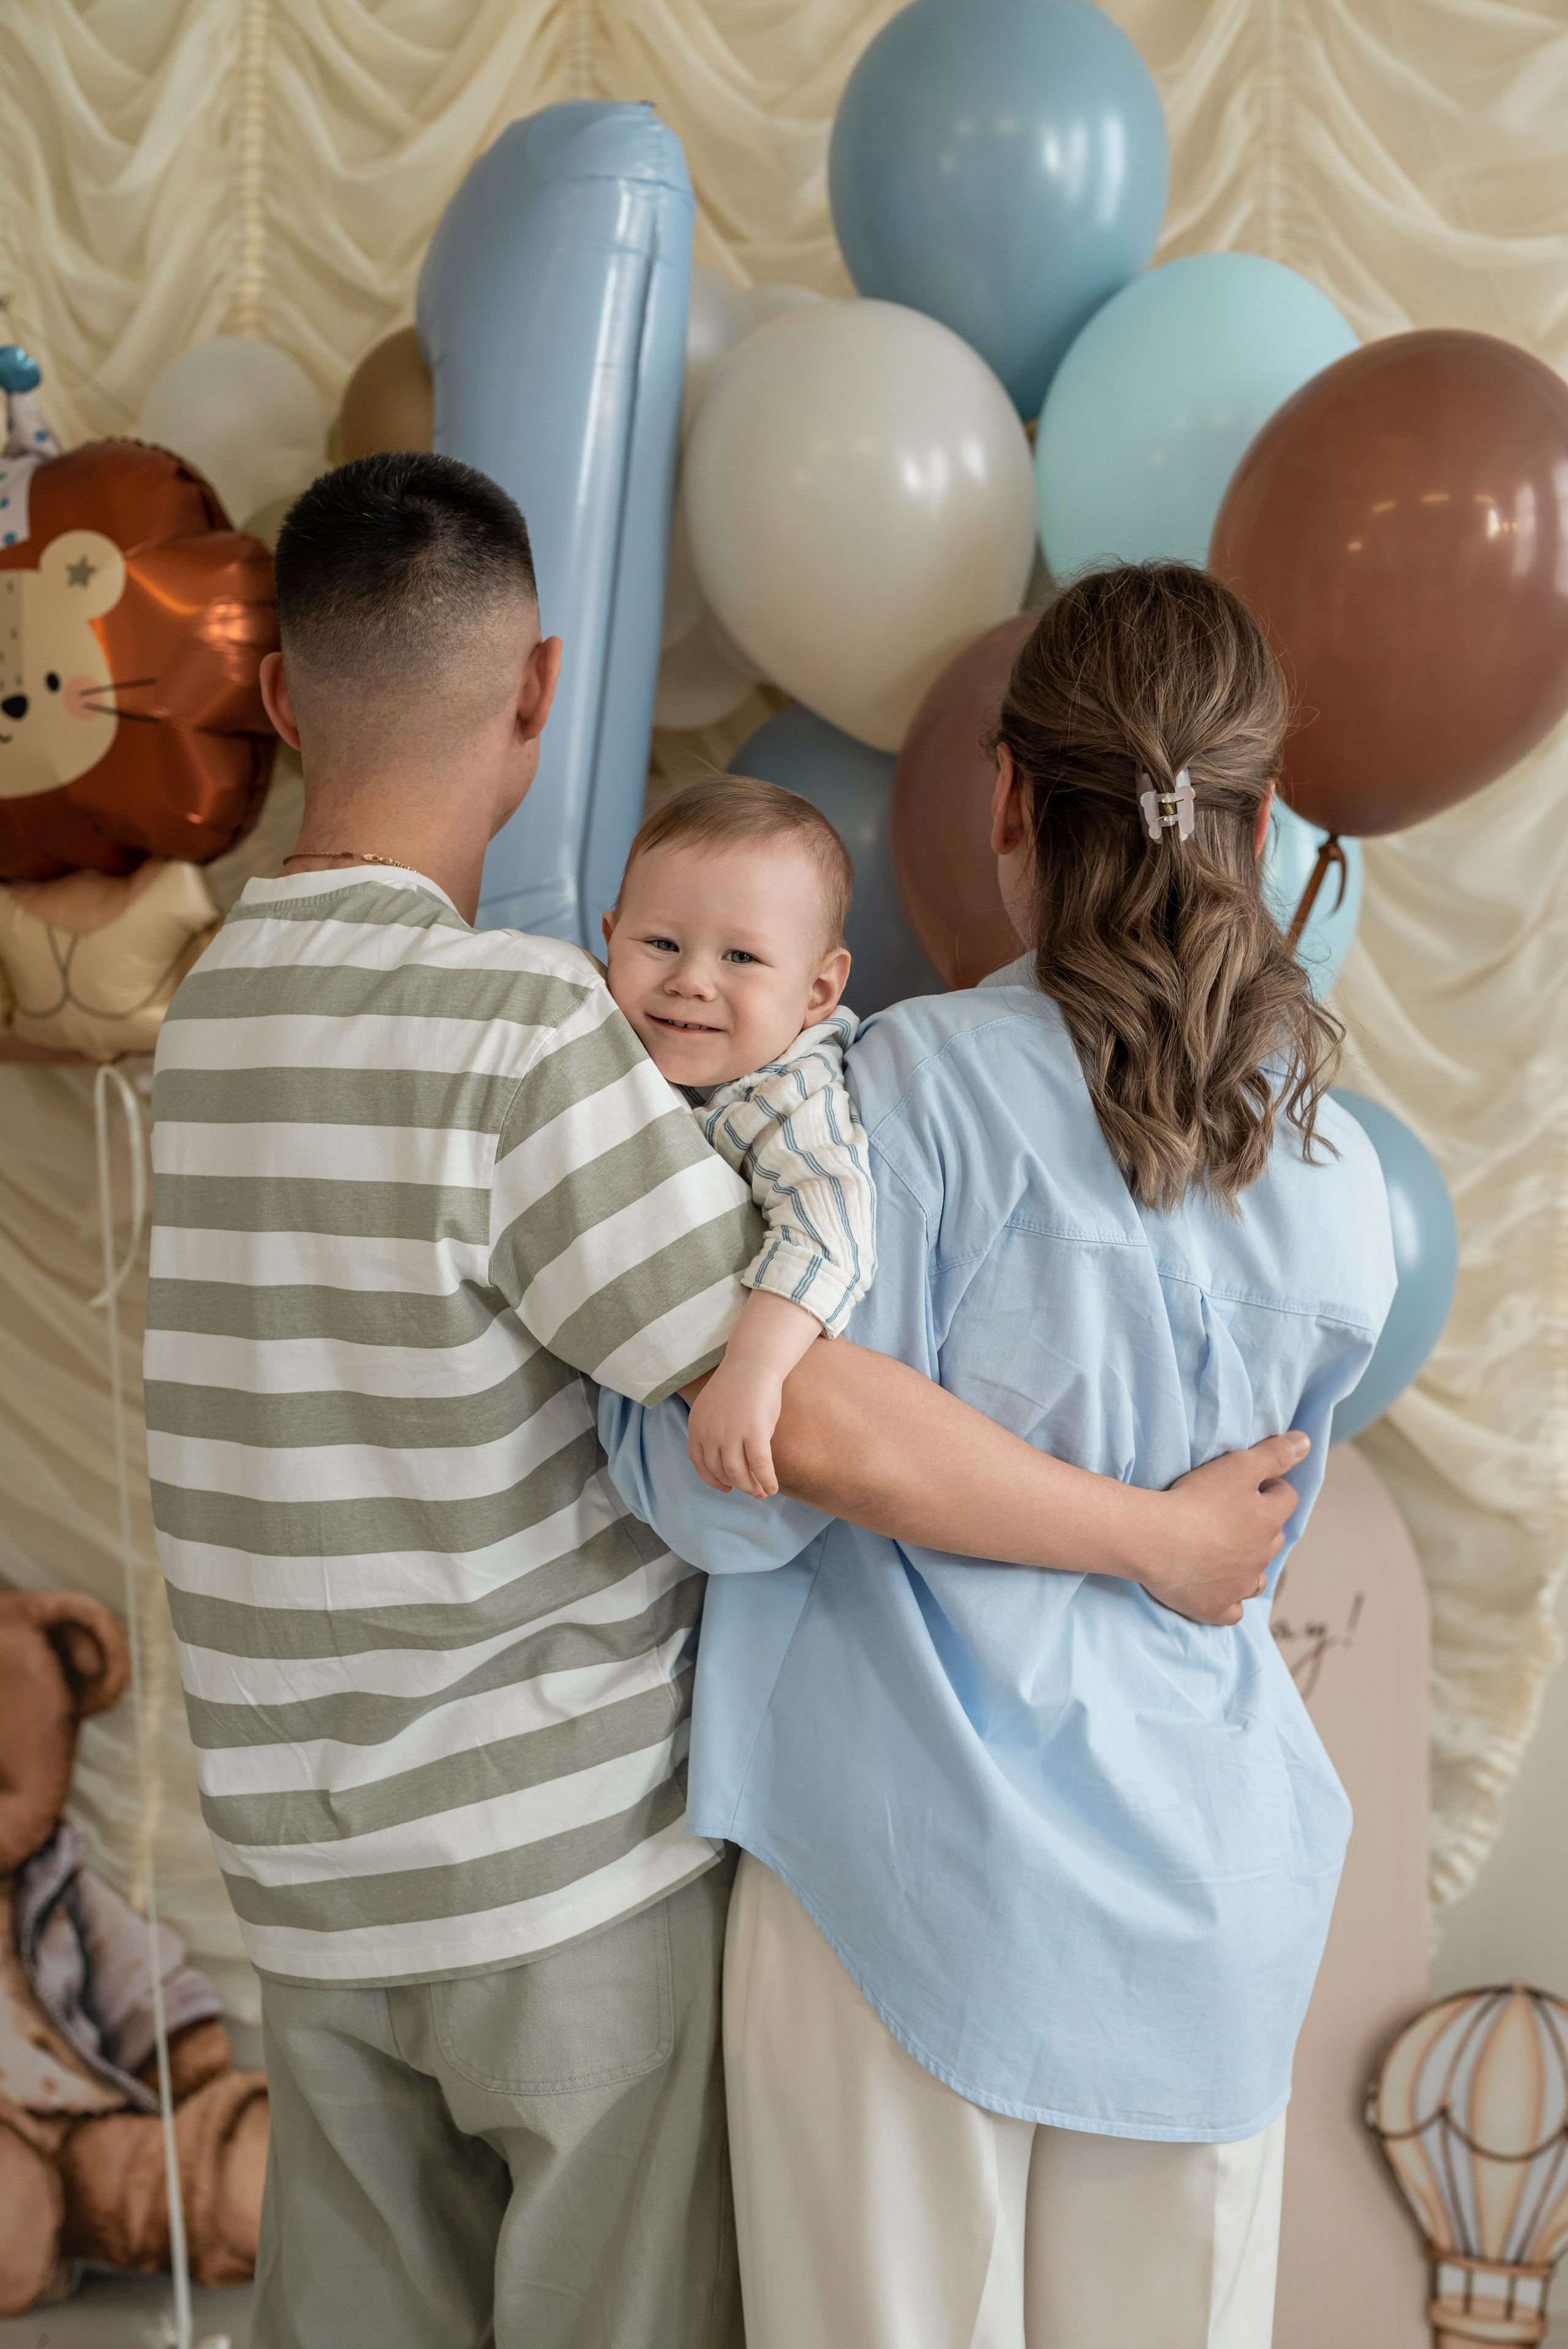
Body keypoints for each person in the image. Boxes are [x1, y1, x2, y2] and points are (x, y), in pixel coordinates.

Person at [144, 457, 1306, 2349]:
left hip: (309, 1888)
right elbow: (801, 1410)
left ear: (275, 698)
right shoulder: (520, 1034)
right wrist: (1156, 1538)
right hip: (552, 1889)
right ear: (538, 689)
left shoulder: (205, 1018)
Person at [601, 563, 1398, 2349]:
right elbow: (1230, 1555)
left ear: (1007, 803)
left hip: (898, 1890)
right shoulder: (1343, 1192)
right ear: (1260, 826)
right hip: (1202, 1901)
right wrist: (1141, 1538)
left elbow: (735, 1504)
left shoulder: (892, 1088)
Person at [603, 773, 872, 1501]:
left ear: (817, 992)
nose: (690, 980)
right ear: (608, 939)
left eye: (740, 958)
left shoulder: (786, 1092)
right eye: (660, 943)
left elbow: (830, 1224)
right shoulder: (602, 1034)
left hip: (767, 1420)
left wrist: (750, 1373)